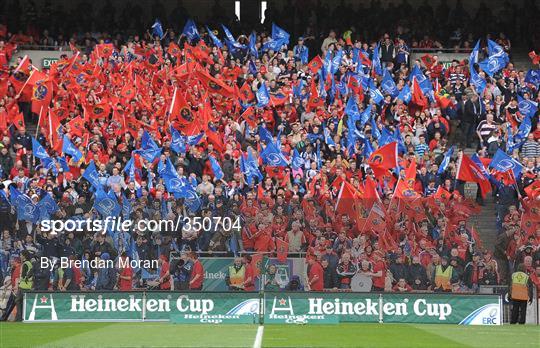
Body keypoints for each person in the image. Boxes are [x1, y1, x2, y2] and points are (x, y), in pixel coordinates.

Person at [15, 250, 32, 321]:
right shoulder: (29, 263)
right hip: (29, 285)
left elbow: (23, 276)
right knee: (23, 302)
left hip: (23, 285)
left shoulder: (25, 264)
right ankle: (23, 317)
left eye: (21, 255)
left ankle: (19, 318)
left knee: (18, 301)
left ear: (24, 256)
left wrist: (18, 283)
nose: (20, 256)